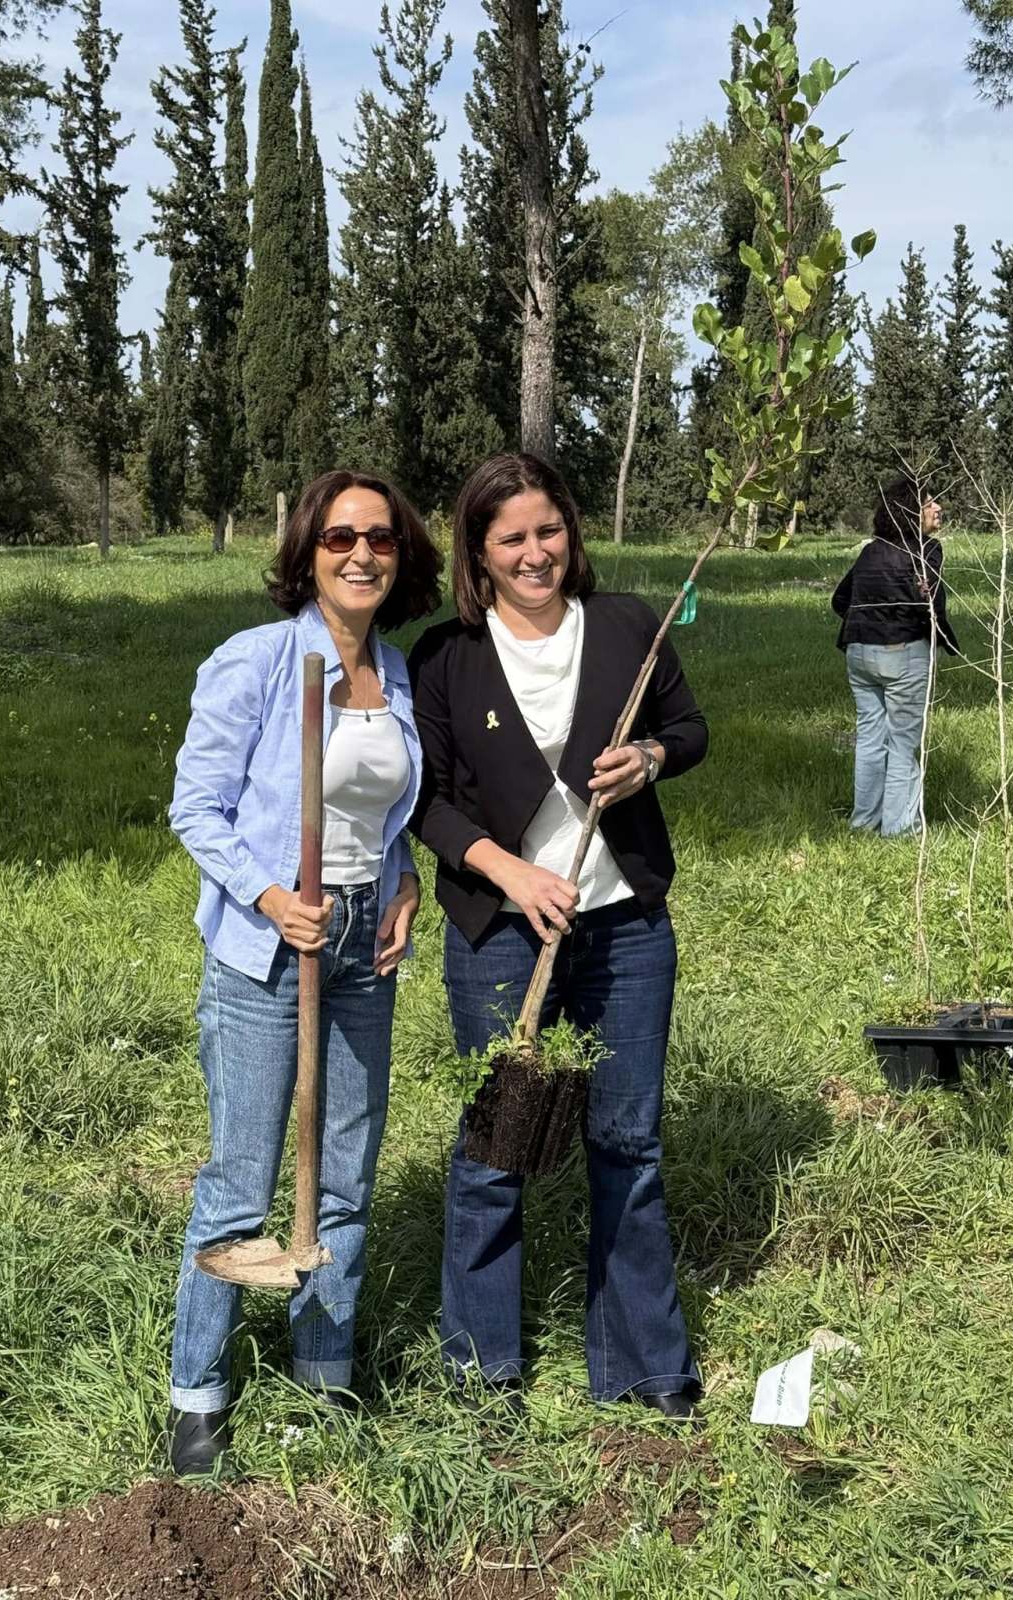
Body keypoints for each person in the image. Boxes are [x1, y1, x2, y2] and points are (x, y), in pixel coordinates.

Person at [409, 451, 709, 1419]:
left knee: (627, 1139)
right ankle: (480, 1368)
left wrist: (652, 757)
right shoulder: (444, 659)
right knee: (495, 1143)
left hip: (626, 931)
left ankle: (643, 1364)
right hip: (501, 926)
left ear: (569, 533)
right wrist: (511, 873)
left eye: (548, 530)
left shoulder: (627, 626)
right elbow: (429, 804)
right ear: (480, 553)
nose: (536, 552)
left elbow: (689, 728)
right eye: (512, 538)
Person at [166, 470, 441, 1475]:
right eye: (340, 538)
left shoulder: (399, 673)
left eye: (380, 538)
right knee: (243, 1178)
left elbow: (380, 812)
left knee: (347, 1174)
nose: (362, 553)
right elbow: (196, 809)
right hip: (266, 948)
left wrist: (404, 883)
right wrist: (271, 896)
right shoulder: (259, 661)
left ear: (400, 555)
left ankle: (320, 1379)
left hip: (364, 947)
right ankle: (197, 1397)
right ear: (307, 553)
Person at [831, 477, 960, 837]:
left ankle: (863, 823)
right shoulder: (926, 551)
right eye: (929, 503)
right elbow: (930, 606)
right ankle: (900, 830)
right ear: (909, 512)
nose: (938, 508)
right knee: (903, 743)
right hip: (902, 654)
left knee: (870, 741)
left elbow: (840, 600)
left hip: (858, 652)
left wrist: (871, 622)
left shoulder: (870, 552)